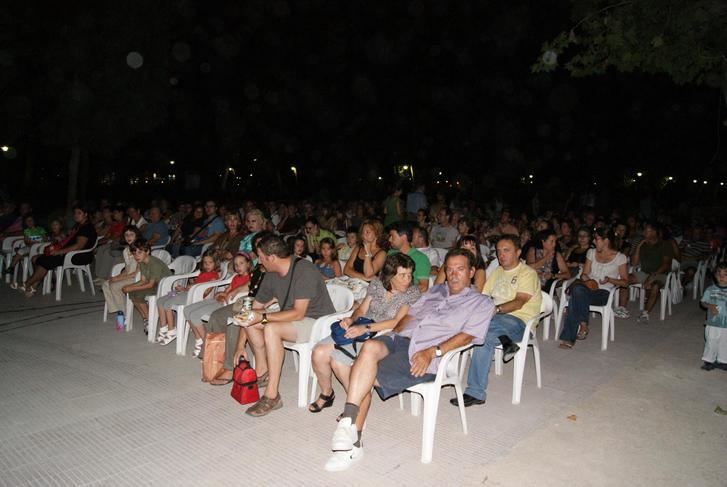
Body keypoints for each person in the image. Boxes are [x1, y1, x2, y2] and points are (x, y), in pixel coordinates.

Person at [324, 248, 494, 471]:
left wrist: (433, 351)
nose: (453, 274)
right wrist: (394, 334)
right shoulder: (435, 292)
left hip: (424, 353)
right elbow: (410, 316)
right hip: (401, 340)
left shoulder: (481, 303)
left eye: (460, 269)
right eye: (449, 269)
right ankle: (349, 422)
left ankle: (353, 445)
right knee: (370, 347)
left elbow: (468, 336)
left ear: (472, 271)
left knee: (363, 371)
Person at [227, 234, 336, 417]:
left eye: (261, 257)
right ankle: (263, 371)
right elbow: (254, 311)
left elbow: (298, 313)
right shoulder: (270, 275)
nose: (259, 261)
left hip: (316, 321)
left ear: (271, 258)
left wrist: (261, 317)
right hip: (292, 319)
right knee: (255, 323)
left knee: (270, 327)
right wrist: (240, 346)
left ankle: (272, 395)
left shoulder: (305, 270)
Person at [310, 253, 421, 414]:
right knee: (318, 352)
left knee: (338, 361)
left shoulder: (412, 293)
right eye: (402, 275)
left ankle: (356, 402)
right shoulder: (377, 284)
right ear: (390, 276)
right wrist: (351, 319)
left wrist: (365, 328)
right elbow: (361, 309)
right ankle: (327, 393)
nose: (407, 279)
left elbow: (397, 321)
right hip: (362, 325)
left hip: (382, 333)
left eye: (410, 274)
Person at [454, 235, 541, 408]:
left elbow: (519, 302)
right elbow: (484, 296)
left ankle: (506, 339)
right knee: (483, 335)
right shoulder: (497, 271)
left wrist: (496, 309)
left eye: (506, 250)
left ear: (518, 252)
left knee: (478, 327)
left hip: (519, 321)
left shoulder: (527, 273)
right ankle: (476, 393)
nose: (501, 255)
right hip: (494, 320)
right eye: (499, 251)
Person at [558, 227, 628, 349]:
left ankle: (570, 336)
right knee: (578, 291)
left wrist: (610, 280)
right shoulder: (591, 253)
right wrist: (589, 280)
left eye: (596, 239)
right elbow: (584, 273)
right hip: (587, 287)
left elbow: (625, 282)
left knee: (576, 294)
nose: (594, 242)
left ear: (606, 240)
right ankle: (583, 324)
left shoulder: (620, 257)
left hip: (604, 293)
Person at [15, 206, 97, 298]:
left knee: (46, 260)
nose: (75, 215)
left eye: (79, 213)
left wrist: (59, 251)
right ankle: (34, 286)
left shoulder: (87, 228)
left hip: (79, 255)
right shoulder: (78, 226)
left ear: (85, 214)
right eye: (75, 213)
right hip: (69, 253)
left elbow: (78, 246)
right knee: (36, 258)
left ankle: (27, 283)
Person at [184, 252, 253, 357]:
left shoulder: (250, 279)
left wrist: (224, 295)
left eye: (241, 263)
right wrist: (220, 294)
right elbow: (226, 291)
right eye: (236, 264)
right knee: (187, 310)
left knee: (194, 315)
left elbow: (237, 296)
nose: (238, 267)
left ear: (248, 264)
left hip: (228, 305)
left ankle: (206, 344)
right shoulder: (235, 277)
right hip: (222, 300)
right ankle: (199, 340)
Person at [154, 251, 220, 345]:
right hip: (186, 292)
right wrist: (184, 288)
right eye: (205, 263)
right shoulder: (202, 273)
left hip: (194, 296)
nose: (207, 265)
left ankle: (171, 330)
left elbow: (204, 292)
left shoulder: (214, 276)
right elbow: (195, 284)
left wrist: (188, 289)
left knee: (168, 303)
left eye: (210, 263)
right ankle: (163, 327)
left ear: (215, 263)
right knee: (161, 300)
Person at [623, 222, 672, 322]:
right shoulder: (643, 244)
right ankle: (622, 308)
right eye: (644, 230)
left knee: (654, 287)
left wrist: (651, 277)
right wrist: (638, 247)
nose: (644, 232)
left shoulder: (664, 244)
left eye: (647, 230)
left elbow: (666, 264)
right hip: (644, 273)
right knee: (624, 279)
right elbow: (634, 263)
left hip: (659, 273)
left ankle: (645, 313)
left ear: (654, 232)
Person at [121, 240, 172, 333]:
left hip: (164, 287)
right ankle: (146, 318)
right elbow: (143, 281)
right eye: (134, 253)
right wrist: (129, 286)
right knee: (132, 293)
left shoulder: (154, 263)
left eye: (140, 252)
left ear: (147, 251)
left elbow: (150, 284)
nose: (136, 256)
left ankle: (149, 319)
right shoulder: (141, 262)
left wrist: (131, 287)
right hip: (155, 284)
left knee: (137, 293)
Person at [100, 226, 143, 330]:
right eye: (126, 235)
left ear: (136, 236)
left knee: (115, 286)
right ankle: (119, 311)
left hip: (139, 278)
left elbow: (137, 272)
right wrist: (116, 277)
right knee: (106, 284)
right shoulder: (126, 250)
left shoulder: (140, 249)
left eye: (131, 234)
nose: (128, 237)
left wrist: (117, 280)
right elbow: (127, 269)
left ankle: (124, 315)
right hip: (130, 276)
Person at [387, 221, 431, 293]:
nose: (390, 239)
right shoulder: (391, 253)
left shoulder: (421, 258)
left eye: (392, 236)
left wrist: (397, 289)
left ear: (404, 237)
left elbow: (423, 286)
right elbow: (382, 277)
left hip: (406, 296)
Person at [700, 262, 727, 370]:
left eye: (725, 274)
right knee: (711, 341)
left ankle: (723, 360)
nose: (721, 276)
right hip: (713, 322)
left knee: (724, 342)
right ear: (715, 276)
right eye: (719, 274)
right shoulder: (710, 289)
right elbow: (703, 302)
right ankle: (709, 360)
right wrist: (709, 305)